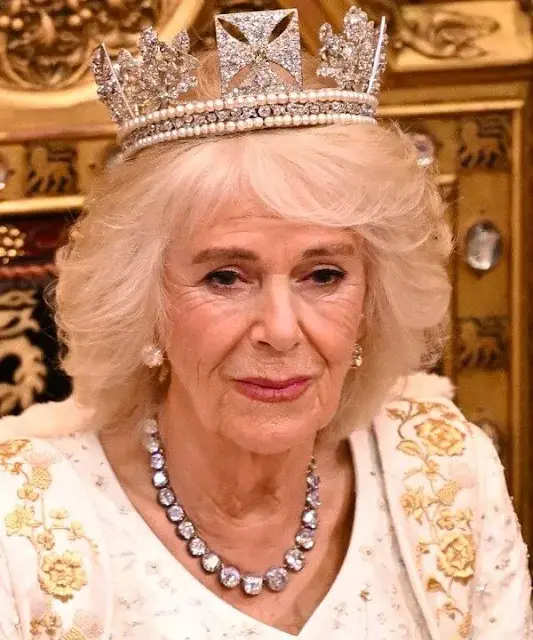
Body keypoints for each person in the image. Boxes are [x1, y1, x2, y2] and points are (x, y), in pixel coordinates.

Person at [0, 7, 531, 640]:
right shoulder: (21, 530)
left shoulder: (446, 474)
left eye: (324, 276)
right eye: (226, 277)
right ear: (145, 306)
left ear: (372, 301)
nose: (281, 330)